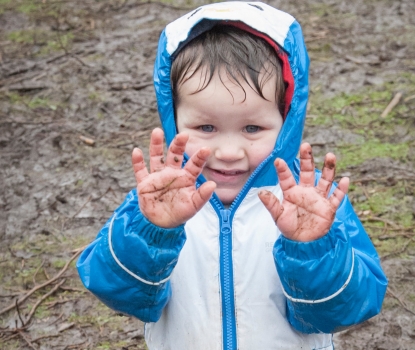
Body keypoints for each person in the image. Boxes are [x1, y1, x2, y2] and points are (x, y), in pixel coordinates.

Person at [77, 2, 388, 349]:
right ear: (173, 118)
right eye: (206, 127)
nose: (228, 151)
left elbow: (349, 308)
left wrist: (312, 248)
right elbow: (118, 292)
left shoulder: (312, 208)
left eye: (252, 127)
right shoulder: (155, 206)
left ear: (286, 122)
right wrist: (153, 232)